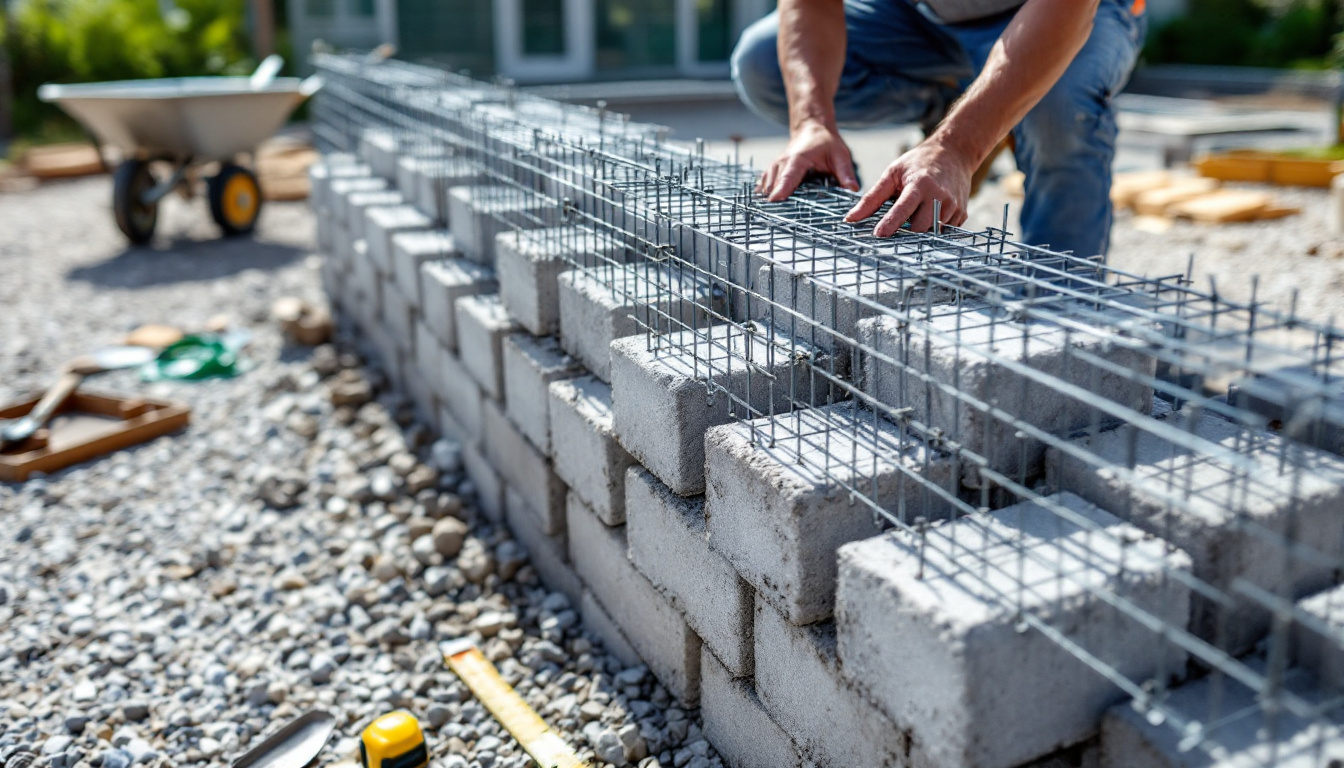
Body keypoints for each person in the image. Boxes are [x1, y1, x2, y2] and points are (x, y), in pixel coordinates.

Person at [730, 0, 1146, 258]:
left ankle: (1063, 314)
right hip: (924, 17)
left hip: (1067, 11)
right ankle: (967, 107)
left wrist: (958, 148)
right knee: (763, 64)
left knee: (1060, 109)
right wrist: (811, 121)